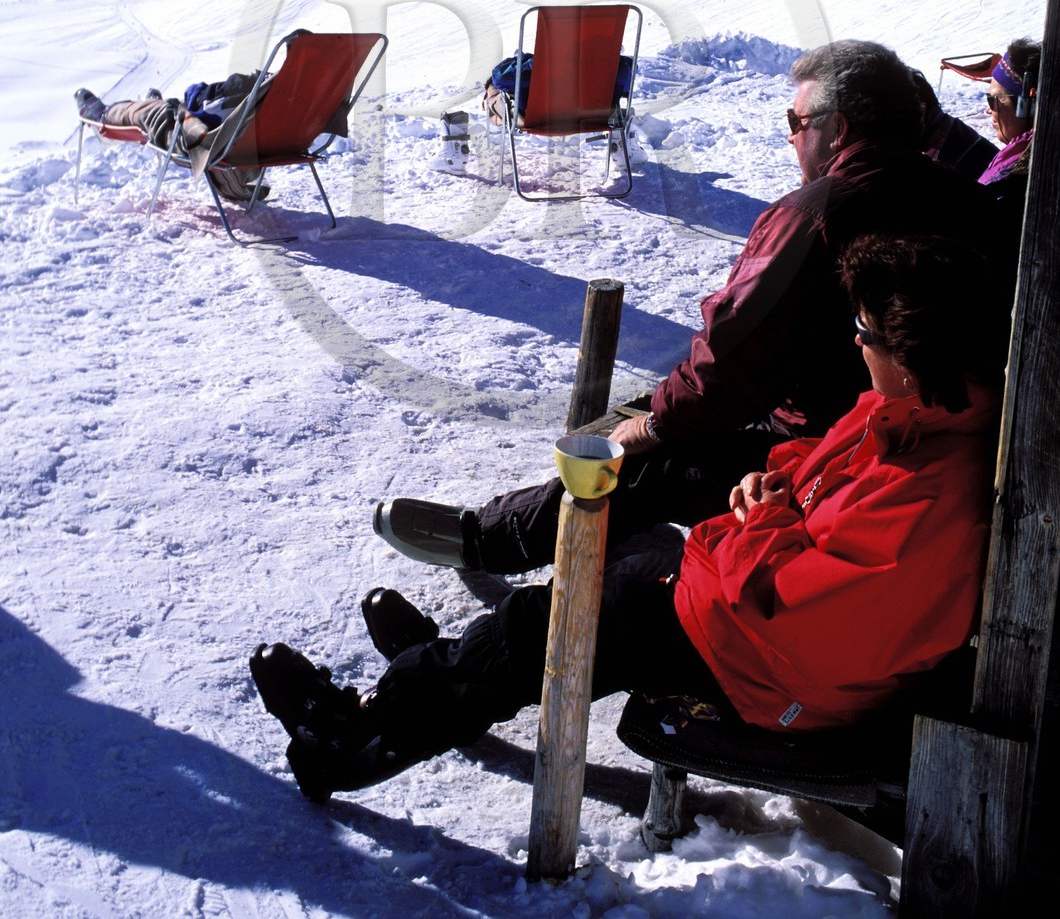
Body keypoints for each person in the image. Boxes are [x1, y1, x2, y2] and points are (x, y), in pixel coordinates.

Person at [249, 234, 1000, 804]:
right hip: (749, 624)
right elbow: (819, 463)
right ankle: (444, 673)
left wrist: (765, 522)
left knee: (561, 620)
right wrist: (770, 481)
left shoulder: (933, 499)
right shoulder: (912, 413)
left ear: (911, 353)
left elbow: (801, 616)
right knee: (616, 570)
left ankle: (355, 741)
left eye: (864, 332)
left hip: (771, 673)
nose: (854, 342)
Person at [375, 40, 1006, 576]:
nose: (791, 136)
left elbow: (732, 360)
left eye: (796, 121)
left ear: (837, 128)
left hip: (830, 446)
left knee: (643, 460)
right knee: (660, 412)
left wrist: (654, 426)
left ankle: (490, 541)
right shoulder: (970, 202)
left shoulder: (814, 216)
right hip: (928, 436)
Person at [74, 70, 272, 203]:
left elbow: (199, 101)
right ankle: (152, 104)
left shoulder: (260, 88)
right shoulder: (281, 99)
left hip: (196, 138)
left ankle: (103, 116)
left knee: (157, 112)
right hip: (239, 145)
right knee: (169, 107)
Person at [978, 38, 1039, 257]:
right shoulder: (1019, 155)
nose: (989, 110)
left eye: (994, 100)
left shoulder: (1018, 177)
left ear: (1027, 106)